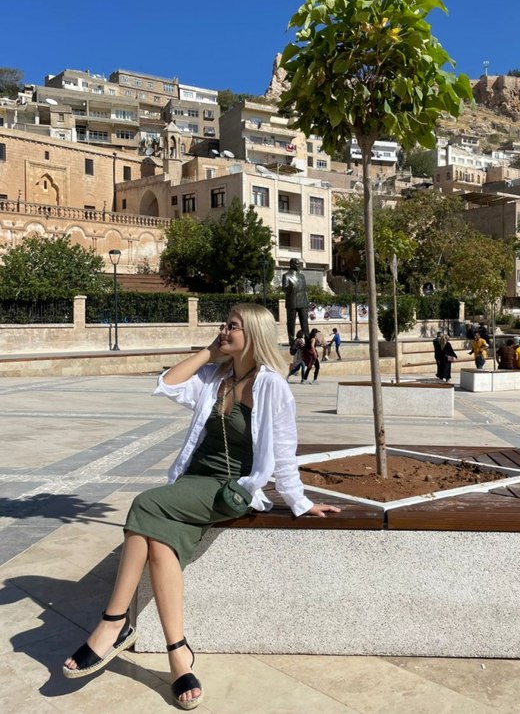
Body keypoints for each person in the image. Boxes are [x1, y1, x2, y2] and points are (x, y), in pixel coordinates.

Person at [62, 304, 340, 709]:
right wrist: (210, 352)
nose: (223, 330)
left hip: (231, 488)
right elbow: (168, 384)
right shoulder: (217, 376)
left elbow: (283, 451)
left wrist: (300, 502)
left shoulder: (271, 385)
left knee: (144, 504)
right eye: (223, 325)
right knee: (158, 542)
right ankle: (179, 654)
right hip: (193, 482)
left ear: (254, 335)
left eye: (232, 327)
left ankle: (114, 622)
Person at [282, 258, 309, 351]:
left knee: (304, 322)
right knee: (291, 323)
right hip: (292, 301)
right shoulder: (286, 276)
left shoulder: (302, 276)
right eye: (297, 264)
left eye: (299, 263)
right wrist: (290, 288)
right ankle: (291, 341)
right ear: (292, 264)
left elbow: (305, 290)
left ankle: (307, 340)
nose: (298, 265)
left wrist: (307, 302)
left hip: (303, 301)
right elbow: (284, 289)